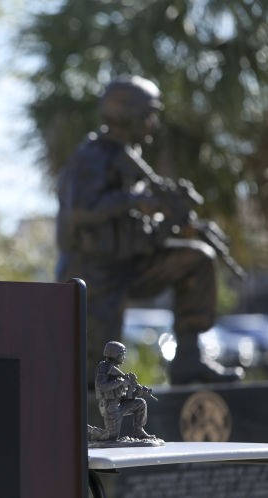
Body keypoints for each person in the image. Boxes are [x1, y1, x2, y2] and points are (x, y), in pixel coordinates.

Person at [55, 75, 243, 387]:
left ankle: (188, 361)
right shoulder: (91, 157)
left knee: (197, 259)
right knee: (94, 377)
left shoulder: (130, 158)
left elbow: (135, 229)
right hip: (94, 272)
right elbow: (80, 211)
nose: (153, 124)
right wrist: (137, 200)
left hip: (130, 263)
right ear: (128, 115)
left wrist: (176, 226)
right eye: (148, 115)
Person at [93, 341, 154, 441]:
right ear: (115, 355)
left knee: (141, 404)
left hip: (120, 403)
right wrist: (120, 382)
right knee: (111, 437)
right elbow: (102, 386)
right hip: (110, 406)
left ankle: (138, 431)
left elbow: (127, 397)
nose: (124, 358)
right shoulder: (103, 368)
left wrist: (137, 392)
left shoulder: (116, 370)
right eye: (122, 355)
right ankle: (90, 431)